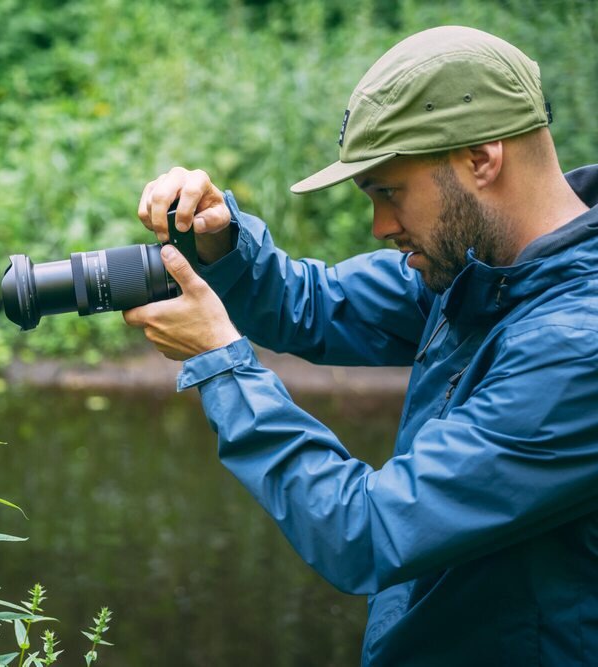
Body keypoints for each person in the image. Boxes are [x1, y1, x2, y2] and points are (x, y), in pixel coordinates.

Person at [123, 25, 598, 666]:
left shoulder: (576, 350)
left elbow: (366, 532)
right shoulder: (483, 269)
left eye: (389, 191)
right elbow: (316, 306)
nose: (379, 227)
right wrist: (222, 241)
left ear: (482, 159)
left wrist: (221, 365)